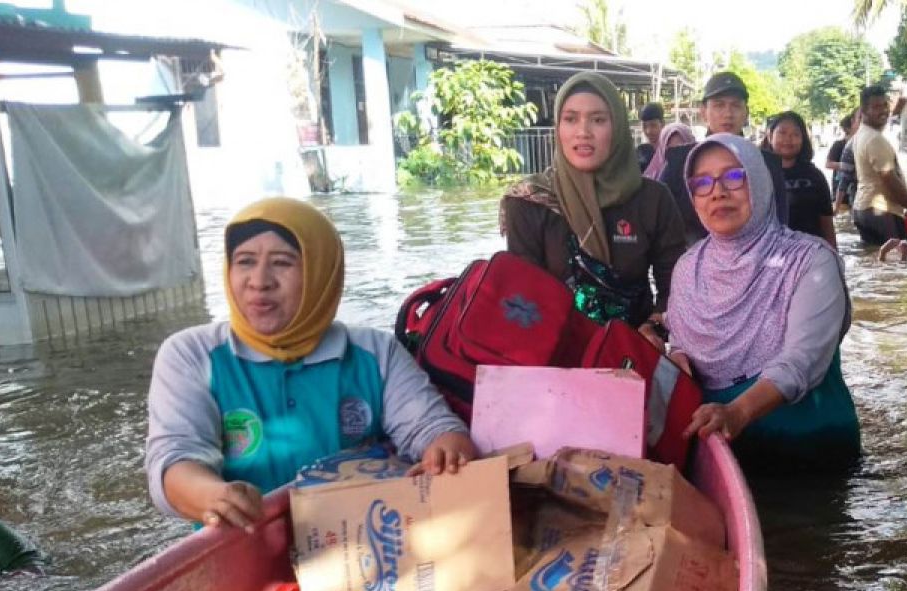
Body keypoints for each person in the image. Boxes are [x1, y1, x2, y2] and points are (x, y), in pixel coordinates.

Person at [145, 197, 476, 531]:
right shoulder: (190, 355)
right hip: (245, 547)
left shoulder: (376, 353)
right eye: (244, 261)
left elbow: (433, 429)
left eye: (283, 263)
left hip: (359, 542)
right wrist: (213, 496)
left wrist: (447, 453)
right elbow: (175, 459)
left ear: (321, 272)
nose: (259, 281)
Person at [665, 133, 861, 467]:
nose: (718, 192)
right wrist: (676, 356)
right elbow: (681, 341)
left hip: (811, 449)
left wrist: (737, 412)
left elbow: (802, 360)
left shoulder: (810, 261)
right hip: (719, 448)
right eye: (702, 183)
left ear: (758, 180)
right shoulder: (688, 268)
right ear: (692, 197)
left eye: (734, 176)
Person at [501, 71, 686, 330]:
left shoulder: (653, 199)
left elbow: (675, 287)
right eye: (570, 119)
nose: (583, 132)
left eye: (598, 120)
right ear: (558, 128)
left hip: (635, 350)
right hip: (554, 353)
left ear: (618, 127)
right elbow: (523, 300)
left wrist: (653, 328)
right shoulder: (529, 201)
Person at [660, 71, 788, 243]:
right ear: (703, 112)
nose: (728, 113)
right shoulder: (678, 163)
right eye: (719, 105)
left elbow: (779, 222)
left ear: (746, 113)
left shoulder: (767, 163)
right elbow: (661, 223)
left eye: (735, 105)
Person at [851, 85, 907, 245]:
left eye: (885, 105)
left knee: (877, 262)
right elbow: (889, 179)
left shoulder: (861, 135)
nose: (883, 110)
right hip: (880, 211)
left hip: (864, 209)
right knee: (898, 262)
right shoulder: (874, 139)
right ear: (863, 111)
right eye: (876, 107)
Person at [767, 111, 836, 249]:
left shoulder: (815, 176)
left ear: (803, 139)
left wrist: (835, 259)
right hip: (771, 255)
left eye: (795, 134)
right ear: (770, 136)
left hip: (811, 254)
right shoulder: (758, 173)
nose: (788, 139)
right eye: (782, 133)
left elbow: (827, 223)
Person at [825, 113, 855, 207]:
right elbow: (828, 164)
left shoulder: (861, 144)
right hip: (840, 188)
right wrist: (846, 166)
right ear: (848, 128)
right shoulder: (839, 144)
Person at [636, 102, 664, 172]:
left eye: (653, 125)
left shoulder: (670, 152)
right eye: (644, 126)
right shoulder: (639, 153)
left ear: (663, 124)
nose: (648, 131)